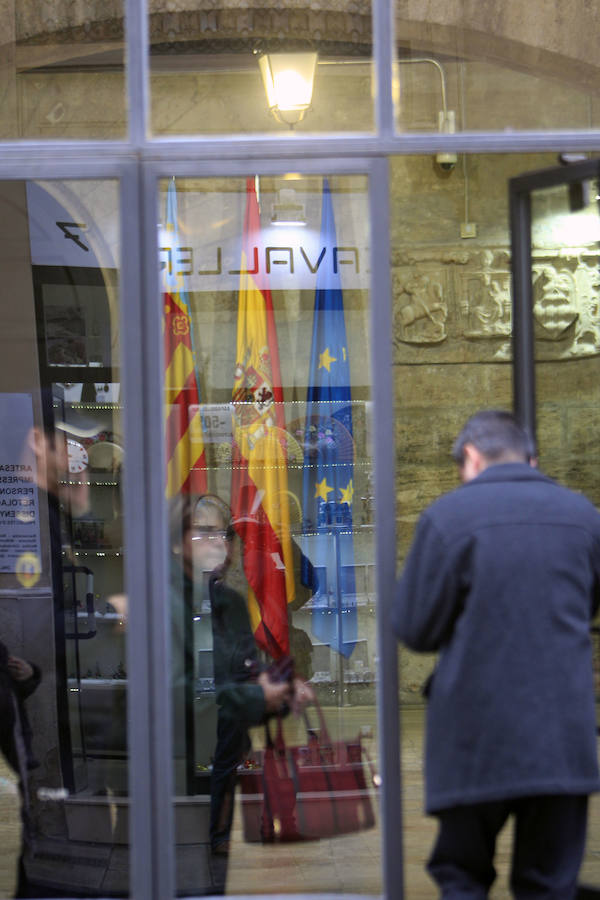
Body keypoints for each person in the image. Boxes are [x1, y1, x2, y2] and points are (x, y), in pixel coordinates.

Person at [393, 409, 600, 899]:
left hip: (475, 740)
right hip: (561, 741)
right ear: (530, 457)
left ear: (471, 456)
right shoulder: (585, 518)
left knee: (463, 877)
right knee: (550, 883)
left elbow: (415, 629)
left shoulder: (448, 517)